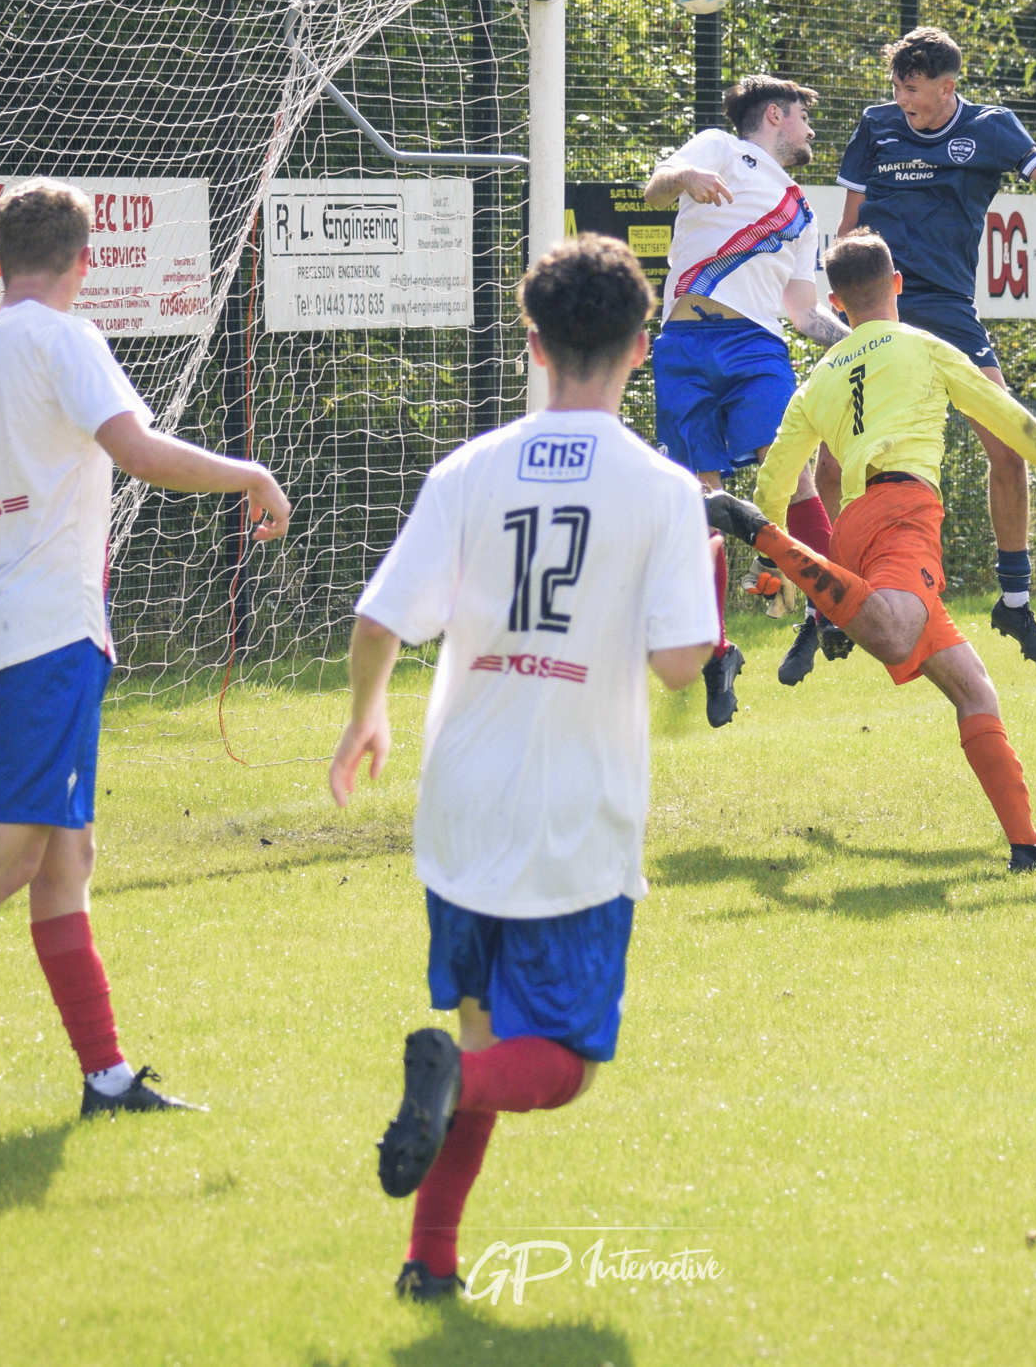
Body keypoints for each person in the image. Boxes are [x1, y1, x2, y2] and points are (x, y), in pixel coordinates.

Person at [0, 179, 293, 1127]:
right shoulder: (65, 339)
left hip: (6, 629)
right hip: (48, 635)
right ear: (85, 262)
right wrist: (251, 473)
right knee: (7, 852)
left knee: (66, 857)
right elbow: (140, 452)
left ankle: (106, 1078)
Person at [329, 233, 718, 1304]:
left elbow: (378, 619)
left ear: (533, 342)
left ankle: (431, 1260)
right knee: (562, 1063)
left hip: (461, 804)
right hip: (573, 814)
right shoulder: (661, 487)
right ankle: (450, 1096)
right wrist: (710, 582)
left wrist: (364, 719)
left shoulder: (469, 469)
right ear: (641, 347)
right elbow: (679, 665)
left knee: (483, 1035)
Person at [705, 231, 1036, 874]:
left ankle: (1028, 847)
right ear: (899, 286)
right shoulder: (924, 345)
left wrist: (771, 564)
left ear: (836, 303)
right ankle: (810, 586)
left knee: (974, 689)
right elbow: (1003, 412)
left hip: (852, 530)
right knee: (892, 633)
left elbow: (777, 479)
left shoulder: (818, 378)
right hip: (904, 513)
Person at [833, 25, 1036, 671]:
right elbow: (848, 228)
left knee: (1007, 448)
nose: (902, 100)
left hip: (949, 309)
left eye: (913, 90)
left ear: (948, 86)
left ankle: (1014, 601)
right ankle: (826, 605)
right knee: (833, 457)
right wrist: (838, 298)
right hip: (879, 305)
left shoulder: (991, 128)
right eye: (897, 87)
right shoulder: (876, 126)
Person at [641, 74, 852, 725]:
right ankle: (717, 653)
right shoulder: (722, 148)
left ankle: (827, 608)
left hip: (757, 348)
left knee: (791, 475)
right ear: (775, 115)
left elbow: (803, 313)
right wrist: (685, 178)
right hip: (683, 343)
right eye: (805, 118)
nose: (811, 131)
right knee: (700, 500)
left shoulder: (802, 212)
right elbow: (655, 185)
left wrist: (863, 343)